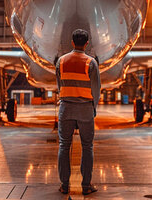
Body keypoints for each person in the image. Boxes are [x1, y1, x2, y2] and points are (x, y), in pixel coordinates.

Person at [56, 29, 100, 195]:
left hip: (66, 108)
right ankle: (86, 185)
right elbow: (96, 89)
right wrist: (92, 108)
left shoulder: (61, 61)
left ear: (72, 42)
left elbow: (59, 84)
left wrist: (66, 99)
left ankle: (64, 185)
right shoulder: (91, 63)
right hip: (85, 109)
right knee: (87, 146)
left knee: (64, 146)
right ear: (87, 43)